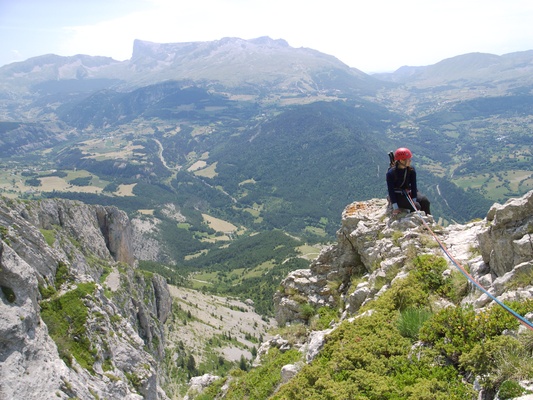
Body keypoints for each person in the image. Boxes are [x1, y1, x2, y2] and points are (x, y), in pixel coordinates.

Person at [386, 147, 431, 215]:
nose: (410, 160)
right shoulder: (391, 173)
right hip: (397, 195)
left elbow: (413, 186)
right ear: (401, 160)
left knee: (425, 201)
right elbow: (391, 191)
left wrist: (414, 200)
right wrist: (395, 207)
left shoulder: (411, 170)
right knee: (417, 206)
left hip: (408, 191)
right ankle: (419, 221)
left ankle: (428, 220)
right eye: (408, 159)